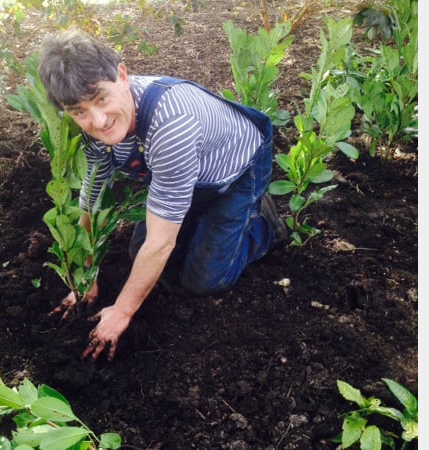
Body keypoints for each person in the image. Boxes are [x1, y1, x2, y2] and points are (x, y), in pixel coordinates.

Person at [38, 29, 287, 362]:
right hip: (185, 178)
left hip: (236, 173)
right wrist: (85, 278)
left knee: (203, 281)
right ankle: (196, 219)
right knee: (138, 253)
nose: (98, 121)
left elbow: (160, 243)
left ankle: (263, 222)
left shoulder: (172, 123)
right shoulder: (93, 131)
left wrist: (121, 313)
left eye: (101, 99)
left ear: (122, 75)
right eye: (79, 112)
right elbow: (92, 199)